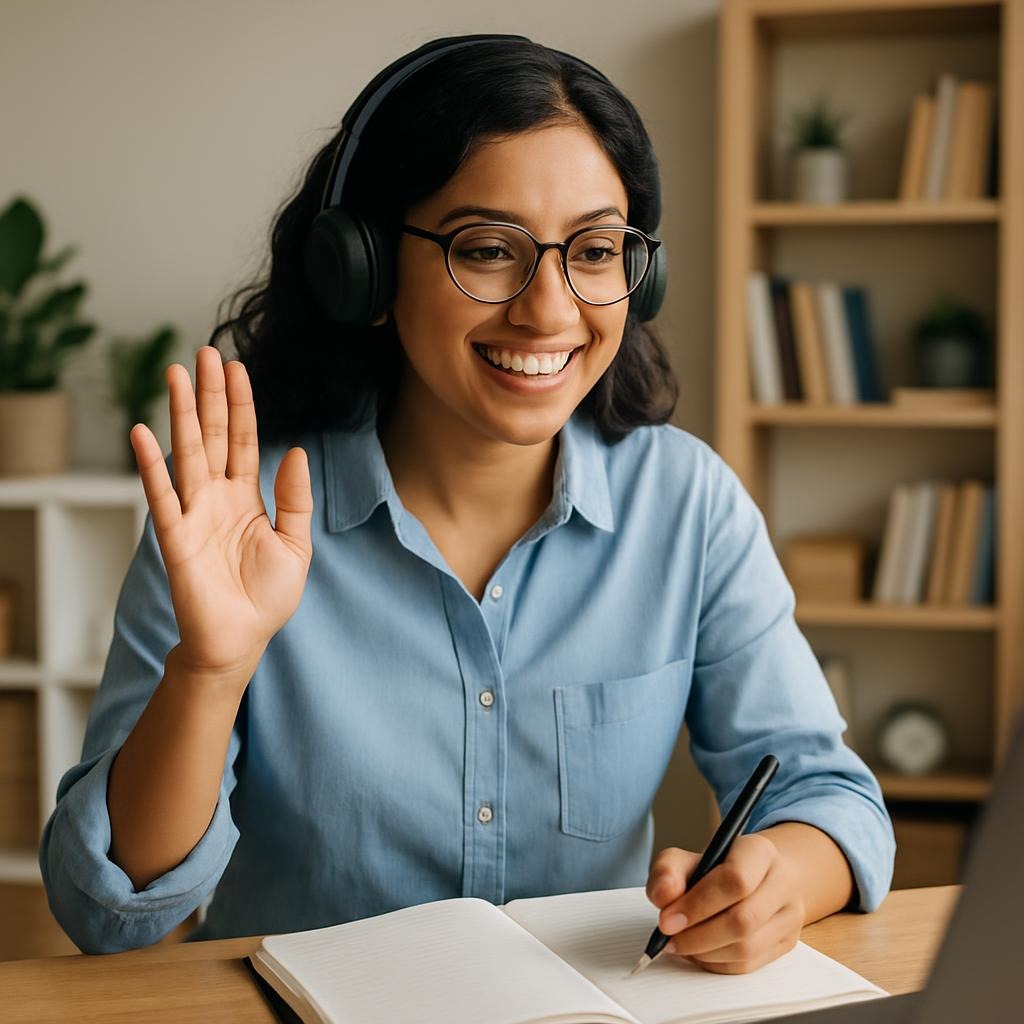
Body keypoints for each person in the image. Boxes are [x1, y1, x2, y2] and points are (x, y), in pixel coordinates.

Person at [39, 34, 895, 965]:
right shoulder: (233, 517)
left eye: (597, 250)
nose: (550, 310)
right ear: (361, 266)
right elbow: (106, 913)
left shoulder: (687, 505)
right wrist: (208, 671)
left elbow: (828, 794)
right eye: (488, 250)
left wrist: (783, 880)